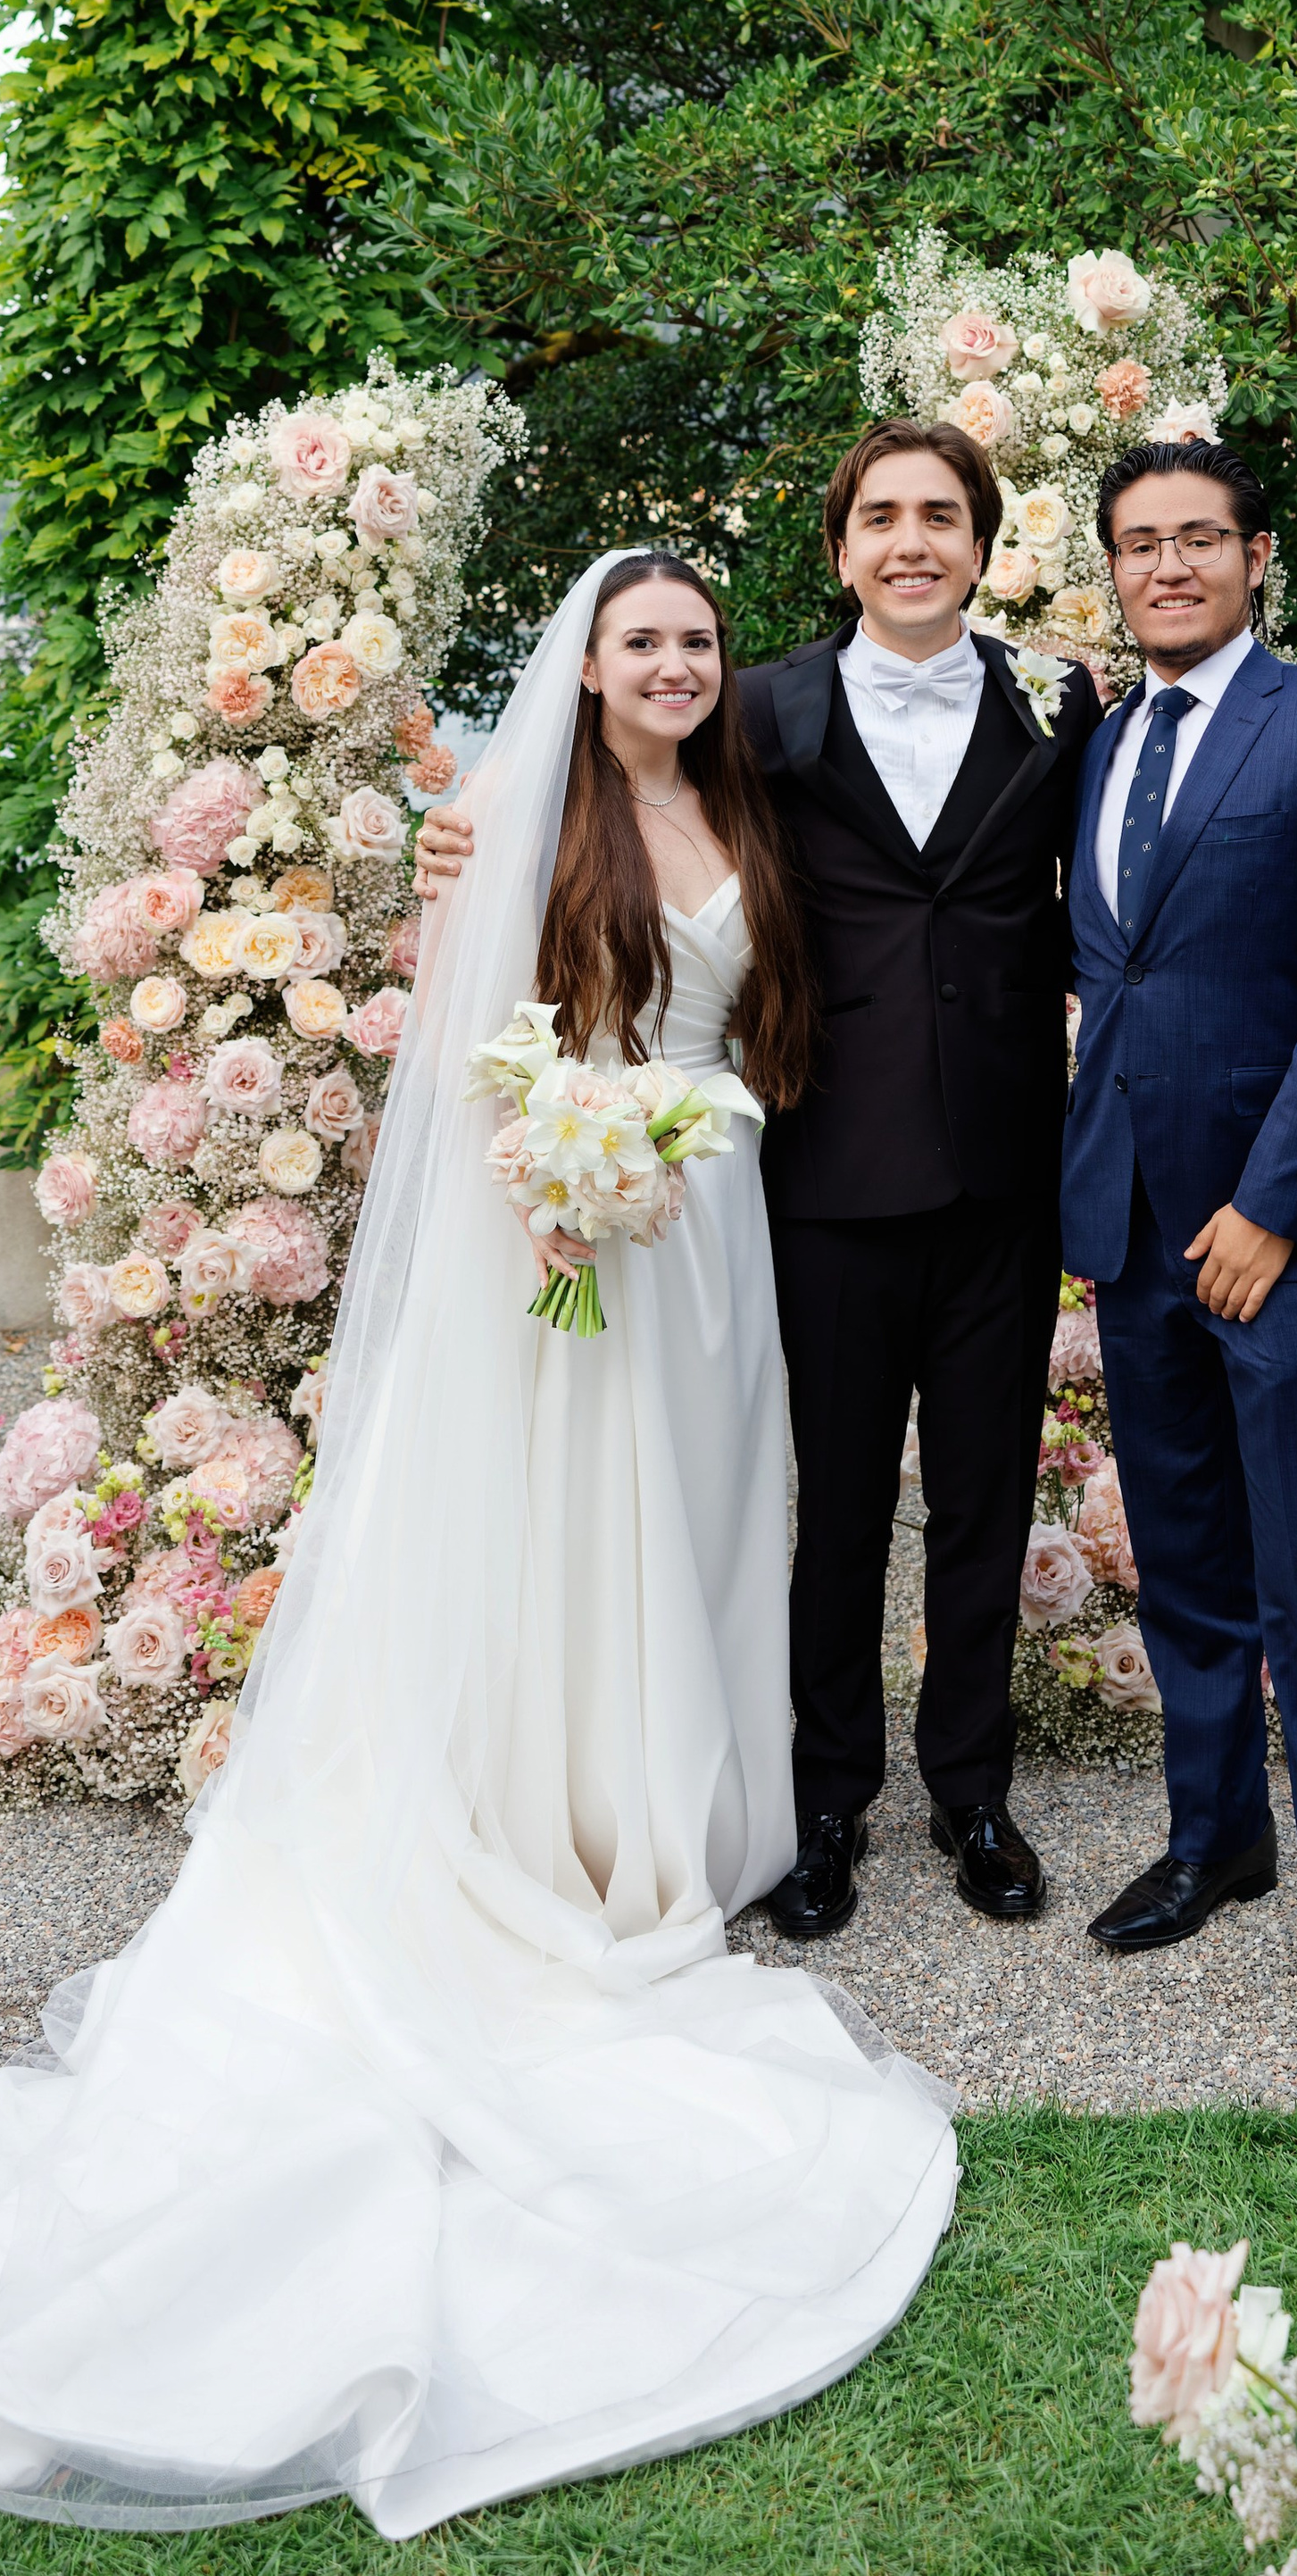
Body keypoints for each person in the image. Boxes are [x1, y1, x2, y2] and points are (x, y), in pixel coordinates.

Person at [0, 551, 957, 2537]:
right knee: (573, 1533)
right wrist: (562, 1175)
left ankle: (674, 1800)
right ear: (589, 667)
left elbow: (772, 1021)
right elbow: (481, 1051)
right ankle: (563, 1827)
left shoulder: (746, 808)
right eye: (642, 642)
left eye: (696, 640)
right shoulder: (525, 825)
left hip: (720, 1231)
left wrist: (678, 1151)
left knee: (700, 1527)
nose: (674, 665)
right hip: (582, 1232)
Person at [418, 421, 1100, 1944]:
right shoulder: (763, 707)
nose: (912, 541)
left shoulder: (1057, 699)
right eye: (882, 517)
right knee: (830, 1506)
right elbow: (597, 795)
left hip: (1006, 1171)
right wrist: (458, 836)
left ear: (982, 544)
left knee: (984, 1501)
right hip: (821, 1175)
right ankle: (825, 1799)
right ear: (842, 548)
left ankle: (974, 1793)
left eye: (942, 516)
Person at [1062, 438, 1297, 2086]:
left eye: (1198, 539)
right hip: (1134, 1223)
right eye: (1140, 544)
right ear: (1114, 569)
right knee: (1186, 1562)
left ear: (1255, 555)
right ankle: (1216, 1841)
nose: (1169, 567)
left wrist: (1274, 1205)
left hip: (1282, 1237)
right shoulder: (1100, 741)